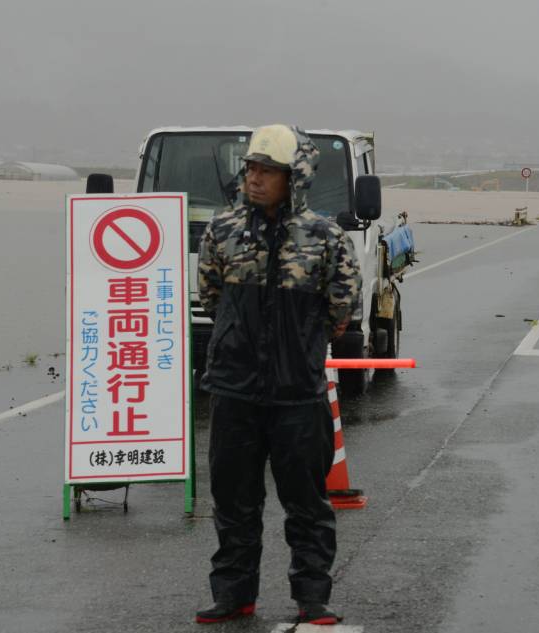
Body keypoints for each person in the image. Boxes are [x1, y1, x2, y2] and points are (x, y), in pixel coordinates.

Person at [194, 124, 361, 625]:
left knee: (306, 503)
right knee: (233, 501)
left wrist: (297, 347)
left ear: (296, 177)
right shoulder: (221, 231)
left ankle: (312, 597)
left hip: (297, 394)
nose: (255, 178)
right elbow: (211, 296)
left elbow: (341, 308)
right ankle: (233, 595)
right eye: (251, 168)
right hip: (234, 391)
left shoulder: (324, 236)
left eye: (268, 170)